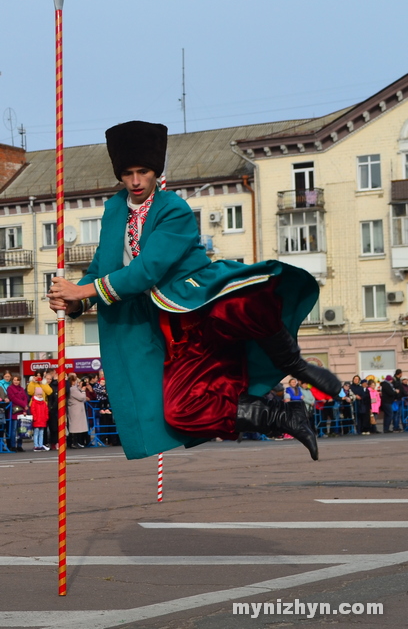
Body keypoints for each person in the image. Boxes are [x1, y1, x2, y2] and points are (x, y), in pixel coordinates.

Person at [48, 120, 341, 462]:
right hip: (170, 332)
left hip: (198, 300)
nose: (136, 180)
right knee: (183, 410)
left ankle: (292, 361)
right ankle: (282, 415)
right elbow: (102, 267)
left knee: (244, 302)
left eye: (143, 171)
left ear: (155, 171)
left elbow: (148, 270)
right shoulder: (113, 211)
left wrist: (81, 292)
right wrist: (72, 302)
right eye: (128, 173)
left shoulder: (175, 209)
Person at [67, 373, 89, 448]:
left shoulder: (74, 388)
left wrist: (80, 387)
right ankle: (73, 442)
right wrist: (83, 391)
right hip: (75, 410)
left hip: (77, 409)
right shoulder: (72, 389)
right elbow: (81, 397)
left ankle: (77, 442)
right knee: (75, 426)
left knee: (77, 426)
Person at [7, 375, 29, 452]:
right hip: (14, 411)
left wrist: (25, 410)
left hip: (22, 412)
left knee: (21, 430)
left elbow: (25, 398)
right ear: (12, 381)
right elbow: (13, 398)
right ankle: (13, 446)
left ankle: (19, 446)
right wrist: (24, 405)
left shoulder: (22, 389)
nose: (16, 381)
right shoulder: (10, 388)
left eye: (18, 380)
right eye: (15, 380)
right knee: (13, 430)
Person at [30, 386, 50, 451]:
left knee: (41, 433)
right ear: (35, 395)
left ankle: (40, 445)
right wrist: (35, 418)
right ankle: (36, 445)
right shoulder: (34, 402)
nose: (39, 396)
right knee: (36, 433)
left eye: (40, 394)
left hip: (42, 420)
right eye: (38, 394)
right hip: (37, 420)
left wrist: (46, 417)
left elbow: (46, 410)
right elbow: (33, 411)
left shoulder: (43, 403)